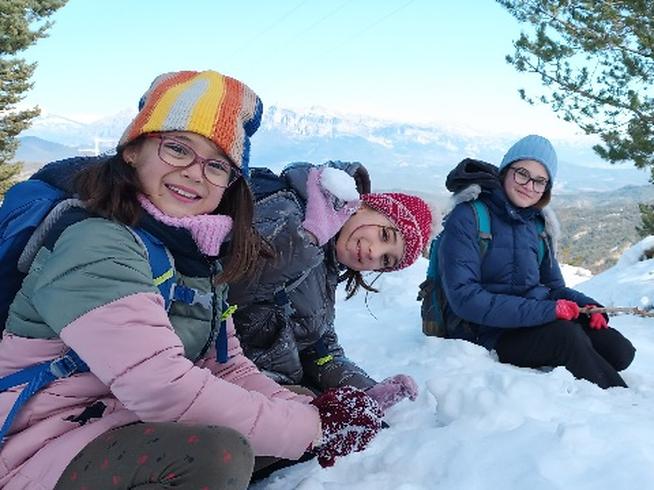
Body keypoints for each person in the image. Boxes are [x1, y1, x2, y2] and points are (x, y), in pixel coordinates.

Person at [0, 70, 383, 489]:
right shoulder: (96, 241)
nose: (195, 173)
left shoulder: (197, 255)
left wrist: (309, 410)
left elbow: (226, 364)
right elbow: (163, 387)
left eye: (217, 165)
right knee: (217, 458)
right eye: (178, 148)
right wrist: (314, 430)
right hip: (40, 441)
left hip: (120, 419)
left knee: (292, 404)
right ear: (133, 150)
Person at [228, 161, 434, 412]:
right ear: (365, 205)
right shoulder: (287, 210)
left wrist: (364, 390)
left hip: (262, 378)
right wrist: (309, 239)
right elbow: (230, 283)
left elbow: (319, 348)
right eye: (385, 235)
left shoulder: (326, 264)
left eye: (386, 260)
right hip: (217, 369)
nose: (374, 253)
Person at [438, 134, 636, 389]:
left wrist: (590, 307)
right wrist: (548, 312)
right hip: (486, 330)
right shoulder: (469, 215)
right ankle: (622, 406)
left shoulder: (538, 223)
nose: (529, 186)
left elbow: (553, 287)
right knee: (567, 337)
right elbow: (465, 298)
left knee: (619, 351)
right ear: (506, 171)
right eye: (522, 173)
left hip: (532, 317)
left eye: (540, 181)